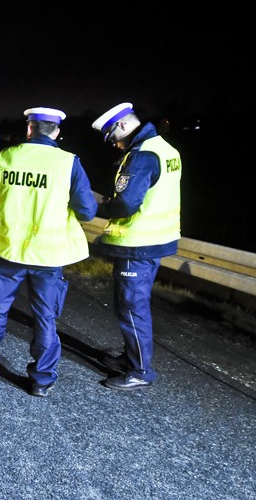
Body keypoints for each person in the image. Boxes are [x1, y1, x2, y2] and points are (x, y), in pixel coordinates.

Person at [0, 107, 98, 397]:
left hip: (9, 251)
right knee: (45, 318)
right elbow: (87, 211)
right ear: (56, 132)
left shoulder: (6, 156)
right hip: (48, 255)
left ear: (29, 129)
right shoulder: (69, 162)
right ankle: (41, 381)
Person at [91, 102, 182, 391]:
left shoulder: (141, 155)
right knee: (132, 305)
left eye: (112, 137)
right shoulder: (165, 149)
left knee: (131, 307)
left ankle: (140, 370)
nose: (114, 144)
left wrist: (100, 206)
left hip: (138, 243)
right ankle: (131, 358)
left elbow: (127, 204)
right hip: (156, 239)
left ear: (122, 126)